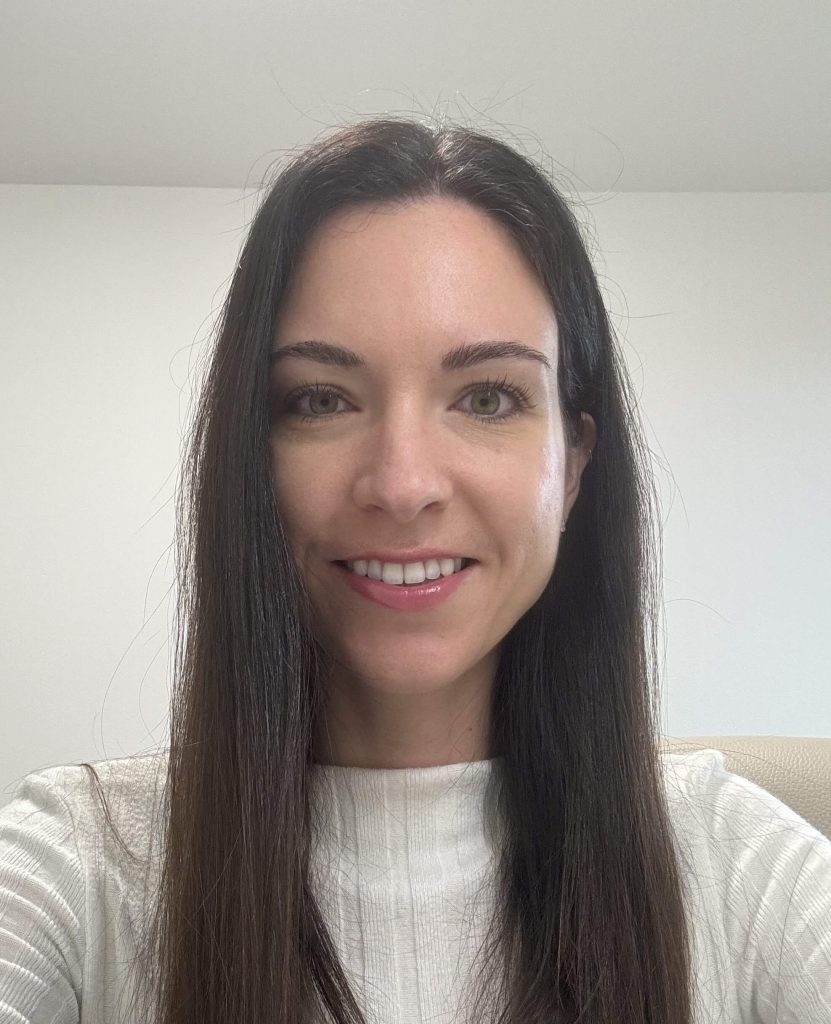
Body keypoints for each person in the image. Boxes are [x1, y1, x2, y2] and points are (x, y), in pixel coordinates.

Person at [1, 118, 829, 1024]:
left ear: (573, 464)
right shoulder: (78, 862)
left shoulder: (740, 866)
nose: (402, 485)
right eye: (321, 399)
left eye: (487, 398)